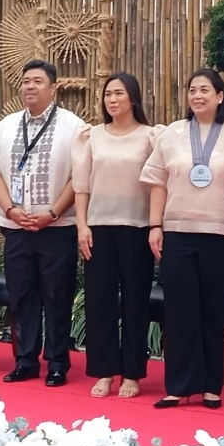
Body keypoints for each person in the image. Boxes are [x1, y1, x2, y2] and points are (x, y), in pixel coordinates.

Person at [145, 67, 224, 410]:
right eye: (193, 90)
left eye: (205, 90)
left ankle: (210, 386)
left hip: (223, 233)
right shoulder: (173, 133)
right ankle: (178, 386)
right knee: (179, 309)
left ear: (220, 96)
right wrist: (155, 226)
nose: (197, 95)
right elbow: (158, 182)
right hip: (178, 232)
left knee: (213, 309)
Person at [0, 59, 86, 387]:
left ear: (53, 87)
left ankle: (57, 362)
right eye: (26, 81)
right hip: (16, 225)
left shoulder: (73, 126)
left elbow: (79, 177)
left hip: (57, 226)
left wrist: (53, 213)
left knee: (57, 296)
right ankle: (25, 360)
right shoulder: (7, 125)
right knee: (22, 296)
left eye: (38, 81)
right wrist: (10, 209)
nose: (30, 86)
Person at [72, 73, 161, 399]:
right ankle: (104, 371)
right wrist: (82, 226)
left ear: (132, 98)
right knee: (99, 302)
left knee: (136, 302)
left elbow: (159, 184)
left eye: (118, 93)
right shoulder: (91, 136)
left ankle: (132, 373)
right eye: (108, 94)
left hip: (137, 227)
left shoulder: (151, 137)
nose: (112, 100)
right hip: (98, 227)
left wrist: (156, 225)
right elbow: (82, 186)